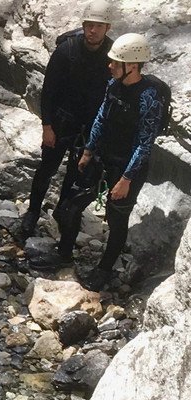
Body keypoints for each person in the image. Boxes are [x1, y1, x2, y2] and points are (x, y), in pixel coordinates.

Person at [57, 33, 165, 289]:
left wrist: (126, 179)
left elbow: (145, 143)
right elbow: (101, 118)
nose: (110, 65)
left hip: (127, 168)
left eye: (116, 62)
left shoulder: (148, 98)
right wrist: (88, 151)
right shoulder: (114, 85)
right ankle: (63, 253)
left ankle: (104, 270)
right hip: (103, 158)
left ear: (133, 66)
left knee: (117, 220)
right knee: (72, 205)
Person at [18, 1, 114, 241]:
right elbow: (49, 90)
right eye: (89, 25)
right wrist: (47, 126)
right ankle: (33, 211)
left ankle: (62, 211)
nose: (93, 30)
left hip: (90, 126)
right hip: (62, 122)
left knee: (75, 172)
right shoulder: (66, 50)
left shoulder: (112, 55)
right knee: (47, 168)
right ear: (83, 25)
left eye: (98, 26)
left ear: (107, 27)